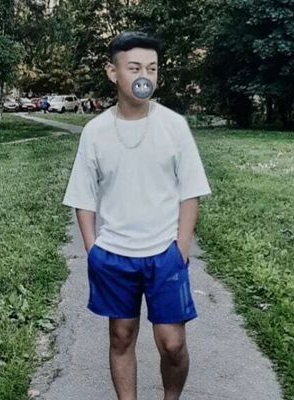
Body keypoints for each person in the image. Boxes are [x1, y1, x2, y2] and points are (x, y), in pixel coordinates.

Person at [62, 31, 212, 400]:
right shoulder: (96, 132)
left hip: (164, 253)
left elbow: (191, 190)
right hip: (114, 255)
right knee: (121, 336)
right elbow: (83, 196)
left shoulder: (173, 126)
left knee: (172, 344)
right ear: (113, 72)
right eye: (134, 68)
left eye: (152, 68)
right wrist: (93, 250)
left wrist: (181, 248)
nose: (145, 76)